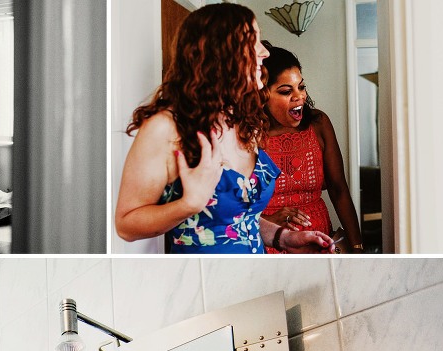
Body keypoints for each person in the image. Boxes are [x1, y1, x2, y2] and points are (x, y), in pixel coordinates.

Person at [114, 4, 334, 254]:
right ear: (218, 55)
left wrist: (283, 237)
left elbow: (238, 218)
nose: (263, 52)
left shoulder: (246, 121)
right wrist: (188, 204)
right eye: (253, 41)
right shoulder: (166, 129)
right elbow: (126, 225)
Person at [260, 44, 364, 253]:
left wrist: (357, 247)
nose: (299, 96)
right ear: (262, 95)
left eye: (301, 86)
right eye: (286, 91)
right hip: (269, 247)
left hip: (320, 242)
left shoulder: (318, 123)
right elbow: (233, 210)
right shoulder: (246, 135)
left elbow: (338, 188)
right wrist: (268, 222)